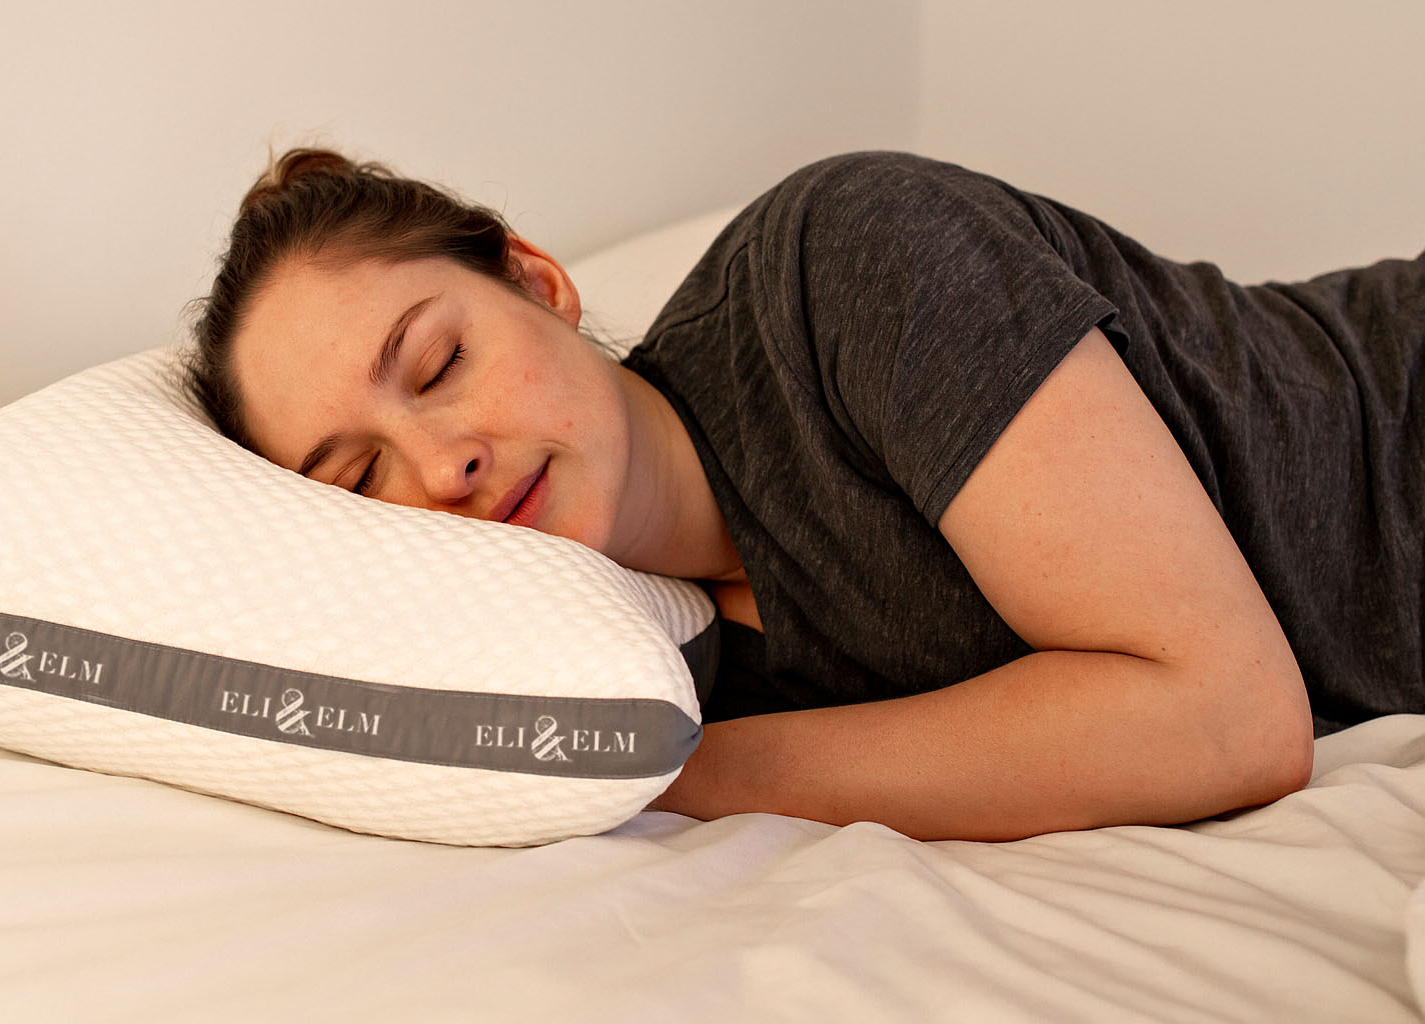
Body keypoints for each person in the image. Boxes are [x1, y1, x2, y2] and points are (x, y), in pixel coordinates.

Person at [187, 148, 1423, 842]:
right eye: (359, 477)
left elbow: (1229, 718)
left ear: (540, 284)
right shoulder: (621, 660)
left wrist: (675, 774)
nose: (442, 463)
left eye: (441, 363)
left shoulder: (841, 263)